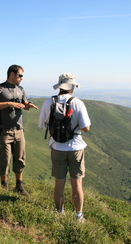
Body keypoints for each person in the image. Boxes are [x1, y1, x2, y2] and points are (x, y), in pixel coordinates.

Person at [38, 73, 91, 222]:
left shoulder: (49, 102)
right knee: (77, 183)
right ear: (72, 87)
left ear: (60, 86)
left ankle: (59, 212)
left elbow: (42, 125)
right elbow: (86, 127)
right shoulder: (78, 103)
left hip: (57, 147)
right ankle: (79, 216)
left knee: (59, 182)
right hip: (75, 147)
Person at [0, 65, 38, 196]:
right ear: (12, 74)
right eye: (20, 75)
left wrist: (28, 105)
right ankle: (4, 185)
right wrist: (9, 104)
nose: (22, 78)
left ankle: (19, 185)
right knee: (4, 160)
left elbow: (24, 105)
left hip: (19, 129)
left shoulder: (20, 89)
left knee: (20, 158)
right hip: (4, 129)